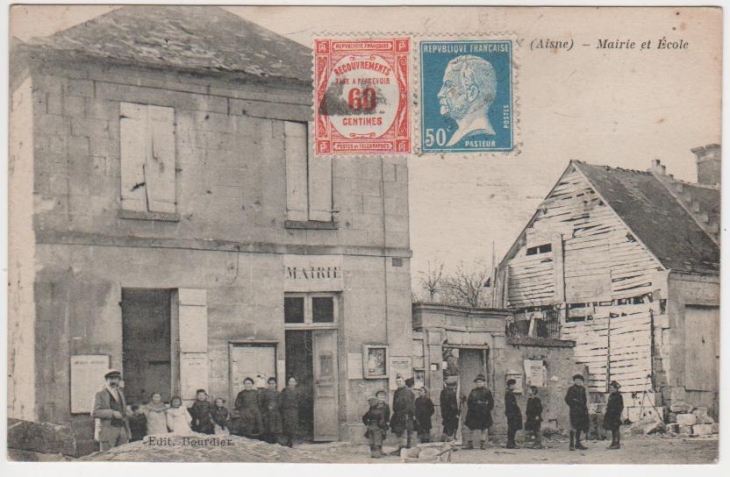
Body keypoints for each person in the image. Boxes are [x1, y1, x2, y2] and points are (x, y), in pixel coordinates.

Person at [437, 55, 498, 147]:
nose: (440, 94)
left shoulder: (478, 134)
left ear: (472, 93)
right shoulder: (460, 134)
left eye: (449, 86)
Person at [91, 369, 133, 451]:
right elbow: (94, 412)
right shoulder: (99, 393)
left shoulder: (120, 392)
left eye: (116, 379)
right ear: (106, 380)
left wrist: (127, 412)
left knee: (123, 456)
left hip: (122, 428)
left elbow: (122, 408)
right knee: (107, 458)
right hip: (108, 430)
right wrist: (112, 413)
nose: (114, 381)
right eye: (111, 378)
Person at [464, 374, 494, 450]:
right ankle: (470, 443)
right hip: (473, 412)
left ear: (484, 383)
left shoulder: (487, 391)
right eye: (477, 382)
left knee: (484, 428)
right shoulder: (473, 391)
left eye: (480, 382)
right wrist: (473, 408)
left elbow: (491, 402)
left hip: (484, 412)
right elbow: (469, 402)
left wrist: (487, 409)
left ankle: (483, 443)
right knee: (471, 428)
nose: (479, 383)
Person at [389, 374, 416, 455]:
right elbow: (394, 405)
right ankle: (401, 449)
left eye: (400, 381)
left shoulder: (408, 392)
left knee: (405, 432)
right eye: (397, 382)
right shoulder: (397, 392)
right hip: (398, 415)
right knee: (399, 433)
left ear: (404, 382)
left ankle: (404, 451)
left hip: (405, 416)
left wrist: (403, 413)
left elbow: (409, 406)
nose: (398, 383)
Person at [565, 374, 589, 451]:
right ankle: (571, 444)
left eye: (580, 380)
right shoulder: (571, 389)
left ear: (581, 381)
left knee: (579, 427)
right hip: (574, 411)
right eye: (577, 380)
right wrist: (573, 405)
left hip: (581, 411)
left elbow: (585, 400)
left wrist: (584, 409)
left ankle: (578, 444)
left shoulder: (582, 389)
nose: (578, 381)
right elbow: (567, 399)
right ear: (574, 381)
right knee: (573, 427)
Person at [260, 377, 284, 444]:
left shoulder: (278, 393)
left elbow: (280, 403)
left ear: (275, 384)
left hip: (275, 414)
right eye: (270, 383)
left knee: (276, 429)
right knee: (268, 429)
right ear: (268, 384)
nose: (271, 385)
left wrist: (274, 407)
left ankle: (275, 442)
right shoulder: (264, 393)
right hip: (267, 414)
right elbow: (261, 402)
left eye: (273, 383)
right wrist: (264, 410)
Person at [280, 376, 300, 447]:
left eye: (293, 382)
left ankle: (291, 440)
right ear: (288, 383)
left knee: (293, 425)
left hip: (294, 410)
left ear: (296, 383)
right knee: (286, 425)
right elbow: (281, 401)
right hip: (286, 410)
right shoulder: (284, 390)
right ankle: (287, 441)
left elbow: (300, 401)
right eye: (290, 381)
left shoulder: (297, 391)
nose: (291, 383)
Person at [603, 381, 624, 450]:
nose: (610, 389)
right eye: (610, 388)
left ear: (616, 388)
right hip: (610, 415)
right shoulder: (611, 395)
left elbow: (621, 406)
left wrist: (617, 413)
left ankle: (617, 443)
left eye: (612, 388)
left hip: (615, 415)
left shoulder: (618, 396)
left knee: (616, 429)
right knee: (612, 429)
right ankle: (613, 443)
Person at [505, 378, 523, 449]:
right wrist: (513, 414)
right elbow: (510, 405)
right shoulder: (509, 394)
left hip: (512, 414)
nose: (514, 386)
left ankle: (511, 443)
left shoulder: (510, 393)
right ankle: (510, 443)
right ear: (509, 386)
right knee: (512, 429)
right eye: (512, 385)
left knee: (513, 428)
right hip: (512, 414)